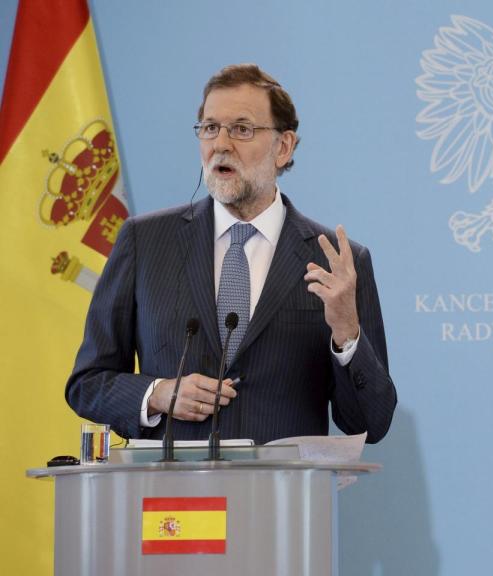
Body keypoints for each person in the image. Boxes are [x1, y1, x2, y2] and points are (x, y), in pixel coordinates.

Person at [66, 64, 396, 445]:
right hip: (173, 497)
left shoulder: (338, 262)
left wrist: (346, 334)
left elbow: (370, 423)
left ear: (283, 147)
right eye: (210, 128)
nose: (220, 144)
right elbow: (87, 383)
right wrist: (156, 394)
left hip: (283, 498)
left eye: (242, 129)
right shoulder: (144, 241)